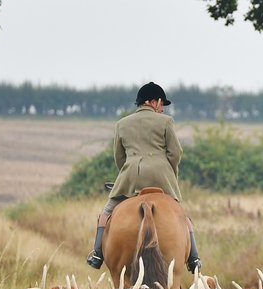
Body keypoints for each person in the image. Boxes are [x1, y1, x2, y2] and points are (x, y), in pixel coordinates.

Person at [86, 82, 202, 273]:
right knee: (181, 215)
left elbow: (119, 156)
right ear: (152, 102)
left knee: (106, 213)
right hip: (161, 176)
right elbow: (175, 152)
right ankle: (194, 258)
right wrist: (170, 173)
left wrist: (127, 174)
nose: (162, 107)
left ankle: (97, 253)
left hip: (131, 176)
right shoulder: (165, 121)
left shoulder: (122, 124)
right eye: (161, 102)